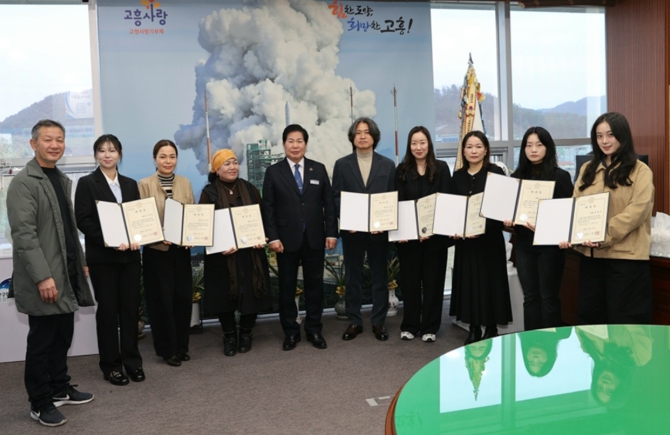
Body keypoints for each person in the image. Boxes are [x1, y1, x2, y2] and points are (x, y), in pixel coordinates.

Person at [7, 119, 95, 427]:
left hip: (66, 274)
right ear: (33, 144)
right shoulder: (24, 183)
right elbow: (24, 236)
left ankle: (59, 387)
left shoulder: (59, 178)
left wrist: (79, 261)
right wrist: (43, 277)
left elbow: (67, 230)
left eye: (59, 139)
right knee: (42, 343)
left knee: (62, 337)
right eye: (48, 139)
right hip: (44, 277)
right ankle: (40, 402)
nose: (55, 145)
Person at [560, 112, 654, 325]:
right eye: (599, 135)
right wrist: (570, 233)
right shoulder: (588, 169)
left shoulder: (640, 171)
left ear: (622, 135)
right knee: (591, 323)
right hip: (591, 259)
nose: (604, 141)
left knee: (625, 325)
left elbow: (637, 212)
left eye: (610, 135)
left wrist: (603, 233)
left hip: (626, 260)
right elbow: (576, 206)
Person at [74, 134, 144, 386]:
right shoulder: (86, 183)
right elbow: (83, 220)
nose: (107, 154)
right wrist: (110, 239)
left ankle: (133, 362)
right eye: (102, 150)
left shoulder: (130, 184)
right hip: (103, 259)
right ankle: (111, 366)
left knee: (130, 311)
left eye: (112, 150)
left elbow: (137, 218)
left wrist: (137, 236)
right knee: (107, 312)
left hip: (130, 258)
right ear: (96, 155)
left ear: (119, 155)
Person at [262, 125, 338, 351]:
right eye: (290, 141)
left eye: (299, 141)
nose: (295, 145)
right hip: (285, 241)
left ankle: (314, 329)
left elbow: (329, 204)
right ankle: (291, 332)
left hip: (315, 237)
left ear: (305, 144)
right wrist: (273, 238)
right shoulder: (273, 172)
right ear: (283, 144)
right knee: (287, 288)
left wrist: (331, 232)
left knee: (315, 287)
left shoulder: (318, 169)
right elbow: (268, 208)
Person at [200, 149, 272, 356]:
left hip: (250, 254)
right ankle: (230, 335)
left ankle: (247, 332)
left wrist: (261, 237)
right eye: (226, 164)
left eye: (234, 162)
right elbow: (204, 225)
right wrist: (219, 245)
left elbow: (262, 217)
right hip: (222, 255)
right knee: (223, 295)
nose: (232, 167)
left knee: (252, 292)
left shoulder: (249, 189)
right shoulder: (209, 193)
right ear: (216, 169)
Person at [332, 117, 396, 341]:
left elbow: (392, 198)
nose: (362, 136)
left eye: (366, 132)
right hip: (353, 233)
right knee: (353, 278)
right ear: (352, 137)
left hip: (379, 233)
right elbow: (336, 197)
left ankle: (379, 322)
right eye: (358, 132)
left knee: (380, 278)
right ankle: (354, 321)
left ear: (374, 137)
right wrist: (347, 220)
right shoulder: (342, 164)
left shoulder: (387, 165)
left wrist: (385, 223)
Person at [503, 127, 573, 331]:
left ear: (548, 147)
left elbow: (568, 213)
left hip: (551, 247)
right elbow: (510, 212)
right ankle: (531, 343)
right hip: (524, 245)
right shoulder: (516, 178)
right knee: (530, 297)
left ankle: (551, 343)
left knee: (548, 297)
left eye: (539, 145)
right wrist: (508, 220)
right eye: (529, 145)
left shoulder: (560, 177)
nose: (533, 150)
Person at [449, 130, 512, 345]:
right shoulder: (457, 176)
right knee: (469, 284)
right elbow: (453, 210)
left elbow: (503, 206)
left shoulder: (496, 173)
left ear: (486, 150)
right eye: (469, 147)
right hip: (466, 243)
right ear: (463, 151)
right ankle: (474, 327)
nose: (473, 151)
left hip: (489, 240)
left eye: (478, 146)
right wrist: (454, 228)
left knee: (490, 284)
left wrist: (485, 227)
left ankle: (491, 327)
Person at [138, 139, 194, 367]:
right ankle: (166, 349)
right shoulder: (144, 185)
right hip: (157, 252)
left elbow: (192, 214)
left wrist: (191, 236)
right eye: (163, 156)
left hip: (181, 252)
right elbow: (140, 219)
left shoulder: (185, 183)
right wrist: (157, 234)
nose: (168, 161)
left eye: (172, 156)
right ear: (155, 159)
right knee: (161, 302)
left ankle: (181, 347)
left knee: (182, 299)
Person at [394, 126, 452, 343]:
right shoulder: (401, 170)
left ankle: (430, 327)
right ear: (409, 146)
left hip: (435, 240)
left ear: (429, 144)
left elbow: (446, 202)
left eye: (422, 142)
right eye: (414, 143)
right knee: (409, 284)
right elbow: (397, 203)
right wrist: (402, 232)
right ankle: (410, 325)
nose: (418, 147)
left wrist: (433, 230)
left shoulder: (441, 168)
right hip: (409, 240)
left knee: (433, 284)